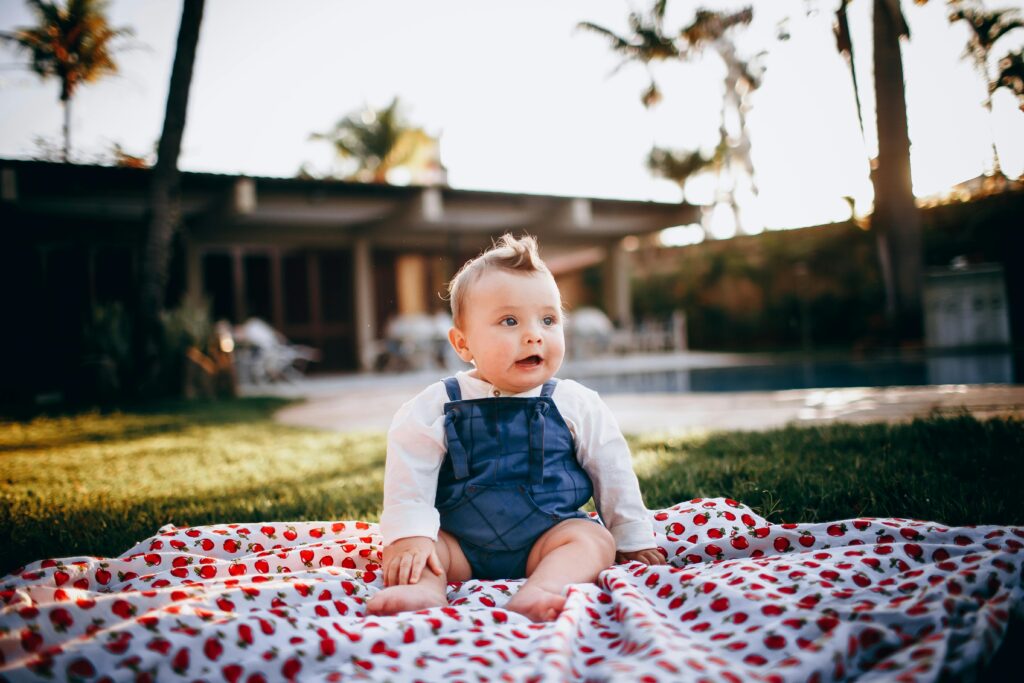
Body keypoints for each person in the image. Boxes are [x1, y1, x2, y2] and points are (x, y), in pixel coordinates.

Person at [366, 234, 664, 622]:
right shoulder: (435, 405)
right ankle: (423, 590)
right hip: (459, 545)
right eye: (510, 321)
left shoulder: (575, 402)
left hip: (548, 539)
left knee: (593, 540)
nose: (533, 334)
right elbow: (409, 475)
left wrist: (631, 538)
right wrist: (409, 535)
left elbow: (613, 471)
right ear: (463, 343)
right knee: (418, 548)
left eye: (548, 319)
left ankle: (542, 589)